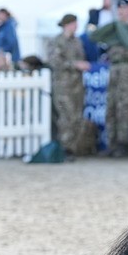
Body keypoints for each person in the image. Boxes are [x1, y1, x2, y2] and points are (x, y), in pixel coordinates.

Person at [93, 0, 128, 157]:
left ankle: (124, 143)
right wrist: (112, 25)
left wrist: (119, 25)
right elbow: (94, 36)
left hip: (127, 68)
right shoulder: (115, 27)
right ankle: (112, 143)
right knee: (111, 106)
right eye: (119, 8)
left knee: (124, 106)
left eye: (125, 8)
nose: (121, 11)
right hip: (113, 67)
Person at [47, 14, 92, 152]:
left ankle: (72, 147)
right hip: (63, 85)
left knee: (76, 116)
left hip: (77, 85)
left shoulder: (77, 41)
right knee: (66, 116)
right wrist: (75, 65)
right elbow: (54, 62)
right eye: (74, 23)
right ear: (67, 24)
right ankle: (64, 147)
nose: (76, 26)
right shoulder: (56, 41)